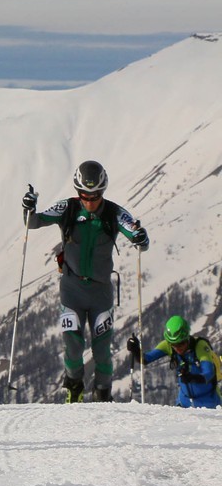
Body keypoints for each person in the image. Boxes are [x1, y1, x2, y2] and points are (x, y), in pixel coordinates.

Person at [24, 160, 149, 403]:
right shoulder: (68, 208)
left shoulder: (114, 212)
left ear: (103, 191)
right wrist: (28, 208)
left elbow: (137, 235)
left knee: (102, 351)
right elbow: (33, 222)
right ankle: (74, 387)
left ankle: (103, 393)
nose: (90, 201)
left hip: (101, 292)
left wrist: (141, 238)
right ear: (77, 191)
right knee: (72, 345)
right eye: (84, 195)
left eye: (96, 196)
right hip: (71, 289)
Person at [129, 316, 221, 409]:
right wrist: (135, 350)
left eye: (181, 343)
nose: (177, 348)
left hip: (209, 400)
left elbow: (209, 373)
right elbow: (145, 359)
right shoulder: (167, 345)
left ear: (187, 338)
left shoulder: (200, 346)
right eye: (173, 345)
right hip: (184, 401)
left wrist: (193, 378)